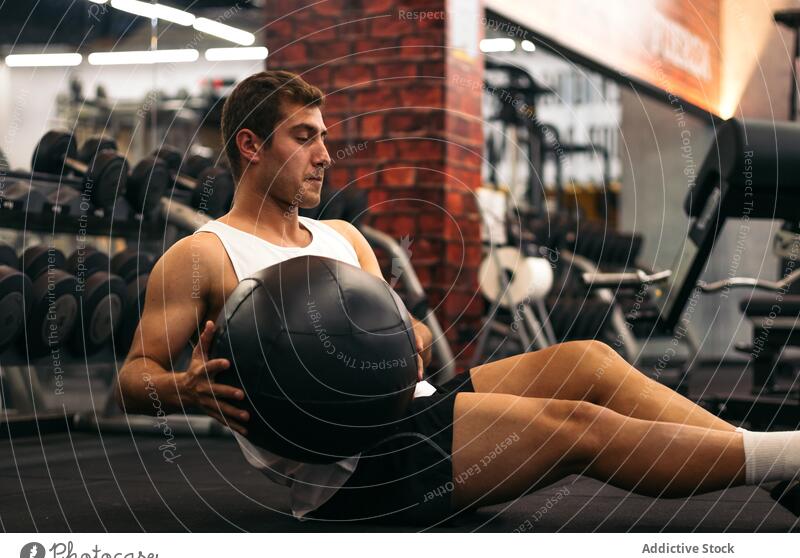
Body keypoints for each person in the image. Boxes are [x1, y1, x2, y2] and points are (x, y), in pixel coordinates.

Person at [117, 70, 800, 525]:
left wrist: (409, 334)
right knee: (575, 429)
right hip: (349, 472)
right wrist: (185, 390)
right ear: (251, 144)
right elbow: (132, 380)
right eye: (305, 137)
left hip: (408, 411)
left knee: (589, 359)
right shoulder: (204, 256)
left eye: (325, 136)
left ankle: (772, 466)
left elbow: (398, 329)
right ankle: (787, 456)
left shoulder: (345, 238)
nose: (326, 154)